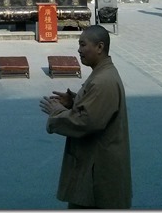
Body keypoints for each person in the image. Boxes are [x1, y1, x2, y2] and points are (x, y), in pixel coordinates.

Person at [39, 25, 132, 209]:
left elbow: (85, 122)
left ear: (99, 47)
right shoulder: (102, 74)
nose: (79, 50)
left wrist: (56, 113)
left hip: (97, 170)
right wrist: (74, 102)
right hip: (94, 163)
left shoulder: (102, 81)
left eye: (83, 45)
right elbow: (95, 109)